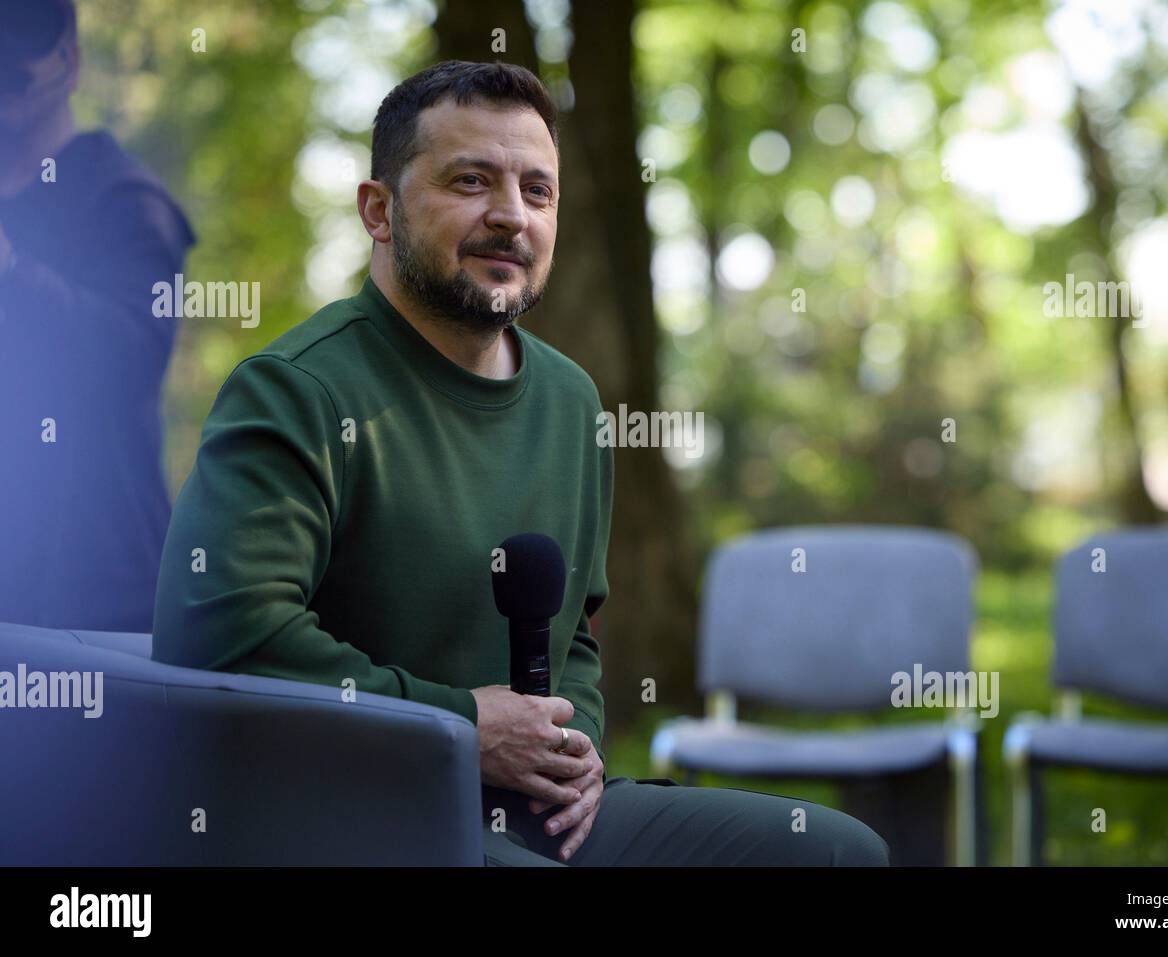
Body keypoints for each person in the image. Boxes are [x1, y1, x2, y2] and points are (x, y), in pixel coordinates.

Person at [151, 59, 888, 867]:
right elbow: (222, 635)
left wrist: (571, 753)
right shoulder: (295, 391)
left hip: (535, 812)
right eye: (471, 181)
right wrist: (461, 727)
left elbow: (576, 637)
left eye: (537, 192)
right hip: (351, 814)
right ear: (378, 210)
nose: (511, 216)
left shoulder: (571, 400)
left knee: (833, 852)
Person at [0, 0, 196, 631]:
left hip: (94, 595)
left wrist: (10, 268)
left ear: (71, 62)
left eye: (23, 52)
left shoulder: (124, 199)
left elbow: (129, 359)